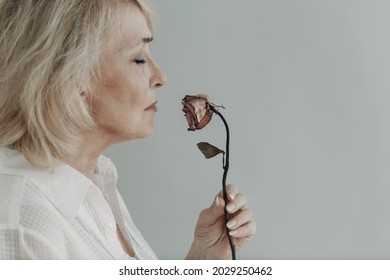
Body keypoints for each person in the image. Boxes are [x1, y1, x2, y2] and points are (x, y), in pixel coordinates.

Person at [0, 0, 256, 259]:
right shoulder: (24, 223)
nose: (161, 76)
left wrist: (204, 258)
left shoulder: (95, 190)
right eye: (138, 58)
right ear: (68, 73)